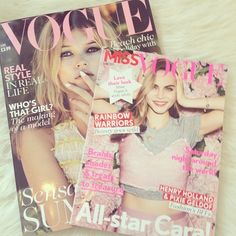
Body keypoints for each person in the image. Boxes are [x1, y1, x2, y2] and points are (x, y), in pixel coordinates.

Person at [81, 57, 225, 235]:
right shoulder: (127, 121)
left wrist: (186, 101)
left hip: (174, 228)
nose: (160, 95)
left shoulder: (188, 128)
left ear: (176, 91)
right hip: (128, 225)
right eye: (154, 87)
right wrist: (133, 90)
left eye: (169, 89)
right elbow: (88, 98)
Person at [15, 11, 118, 231]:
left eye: (92, 49)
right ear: (52, 68)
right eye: (66, 54)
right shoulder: (38, 136)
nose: (80, 63)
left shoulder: (144, 108)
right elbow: (65, 227)